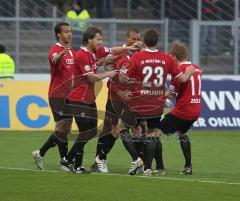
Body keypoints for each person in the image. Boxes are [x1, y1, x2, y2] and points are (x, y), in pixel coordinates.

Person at [109, 28, 196, 175]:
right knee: (151, 134)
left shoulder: (137, 57)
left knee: (121, 128)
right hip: (157, 103)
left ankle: (137, 159)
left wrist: (121, 74)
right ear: (157, 42)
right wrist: (190, 71)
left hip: (139, 101)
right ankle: (148, 168)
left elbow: (123, 78)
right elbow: (182, 79)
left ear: (144, 41)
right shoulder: (166, 58)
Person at [60, 26, 139, 173]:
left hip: (89, 98)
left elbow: (113, 50)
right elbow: (90, 77)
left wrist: (129, 48)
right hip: (78, 98)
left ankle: (73, 163)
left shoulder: (95, 51)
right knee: (87, 132)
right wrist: (108, 73)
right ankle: (70, 161)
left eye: (101, 38)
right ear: (89, 39)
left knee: (89, 132)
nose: (100, 41)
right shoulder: (82, 55)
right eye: (98, 39)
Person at [91, 28, 143, 173]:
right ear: (126, 39)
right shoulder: (118, 55)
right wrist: (120, 92)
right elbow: (112, 77)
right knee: (108, 130)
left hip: (133, 100)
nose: (136, 42)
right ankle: (99, 160)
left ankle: (138, 162)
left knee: (135, 130)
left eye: (138, 39)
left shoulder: (139, 56)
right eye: (133, 39)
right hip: (115, 99)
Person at [32, 22, 76, 170]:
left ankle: (40, 152)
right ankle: (64, 161)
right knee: (63, 128)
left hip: (69, 96)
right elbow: (54, 59)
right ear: (58, 34)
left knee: (66, 130)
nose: (69, 34)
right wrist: (60, 55)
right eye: (65, 32)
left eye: (70, 31)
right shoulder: (55, 49)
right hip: (57, 95)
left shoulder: (72, 51)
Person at [157, 43, 202, 175]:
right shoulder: (196, 68)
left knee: (154, 133)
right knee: (182, 133)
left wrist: (158, 94)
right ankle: (188, 167)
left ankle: (160, 168)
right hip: (195, 109)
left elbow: (171, 95)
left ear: (174, 56)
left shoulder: (178, 71)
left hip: (182, 111)